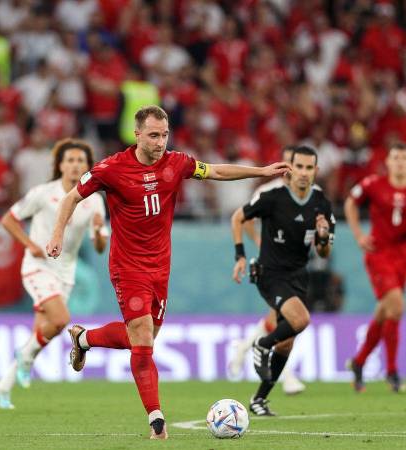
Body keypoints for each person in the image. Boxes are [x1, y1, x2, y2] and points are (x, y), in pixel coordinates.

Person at [46, 105, 290, 439]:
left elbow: (216, 172)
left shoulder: (177, 164)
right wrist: (58, 233)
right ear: (137, 134)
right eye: (153, 135)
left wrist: (261, 172)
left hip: (160, 268)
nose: (160, 142)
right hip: (127, 267)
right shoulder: (111, 168)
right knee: (143, 339)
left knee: (143, 337)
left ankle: (84, 338)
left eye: (164, 135)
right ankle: (157, 422)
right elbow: (71, 198)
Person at [0, 138, 108, 409]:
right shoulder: (43, 193)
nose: (75, 165)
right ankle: (25, 357)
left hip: (66, 273)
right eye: (70, 160)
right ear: (60, 165)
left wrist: (100, 230)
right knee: (61, 319)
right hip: (38, 267)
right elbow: (9, 218)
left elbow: (100, 246)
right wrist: (30, 244)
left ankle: (3, 387)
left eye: (80, 161)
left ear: (88, 167)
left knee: (43, 332)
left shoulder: (94, 201)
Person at [231, 145, 334, 416]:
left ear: (315, 171)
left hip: (298, 276)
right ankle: (261, 344)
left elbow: (324, 252)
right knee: (300, 320)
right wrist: (241, 255)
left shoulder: (321, 203)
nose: (302, 172)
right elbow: (238, 217)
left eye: (308, 168)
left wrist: (323, 236)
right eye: (298, 166)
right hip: (270, 273)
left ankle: (259, 399)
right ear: (290, 168)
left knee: (287, 341)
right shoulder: (273, 196)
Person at [228, 146, 306, 395]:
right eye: (286, 162)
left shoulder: (308, 194)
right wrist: (259, 243)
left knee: (278, 320)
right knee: (288, 320)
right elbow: (243, 218)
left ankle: (243, 347)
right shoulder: (268, 191)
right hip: (271, 267)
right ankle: (288, 376)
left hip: (294, 266)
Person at [344, 142, 406, 393]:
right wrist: (359, 234)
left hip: (402, 255)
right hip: (379, 253)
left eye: (403, 158)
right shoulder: (373, 184)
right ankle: (391, 371)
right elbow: (350, 202)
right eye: (395, 157)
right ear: (388, 162)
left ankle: (359, 363)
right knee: (396, 306)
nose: (400, 162)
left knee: (385, 311)